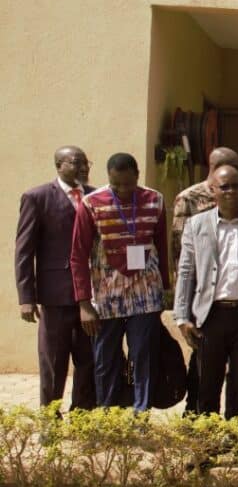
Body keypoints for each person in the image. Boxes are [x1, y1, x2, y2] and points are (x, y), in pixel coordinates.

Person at [70, 153, 170, 411]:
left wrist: (166, 289)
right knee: (105, 359)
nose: (123, 190)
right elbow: (78, 255)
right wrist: (83, 303)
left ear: (137, 175)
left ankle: (141, 414)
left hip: (145, 293)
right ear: (108, 179)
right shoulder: (92, 204)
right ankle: (107, 413)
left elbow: (161, 246)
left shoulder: (154, 200)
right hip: (106, 295)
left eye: (128, 184)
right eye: (117, 185)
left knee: (143, 356)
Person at [174, 167, 238, 417]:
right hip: (210, 316)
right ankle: (208, 447)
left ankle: (235, 441)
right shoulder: (196, 224)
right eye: (225, 186)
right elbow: (186, 272)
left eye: (236, 186)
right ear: (213, 191)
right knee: (207, 383)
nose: (231, 192)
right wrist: (182, 317)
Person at [15, 145, 96, 410]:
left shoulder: (96, 197)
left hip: (93, 295)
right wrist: (26, 297)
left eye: (86, 162)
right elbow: (24, 250)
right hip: (55, 295)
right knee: (53, 361)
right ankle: (50, 418)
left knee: (88, 358)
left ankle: (83, 416)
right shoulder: (37, 197)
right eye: (76, 162)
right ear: (59, 165)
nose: (83, 167)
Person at [172, 147, 238, 414]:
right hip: (201, 299)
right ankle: (196, 414)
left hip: (231, 296)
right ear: (212, 169)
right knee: (202, 367)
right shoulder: (189, 199)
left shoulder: (237, 200)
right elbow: (181, 258)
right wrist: (184, 309)